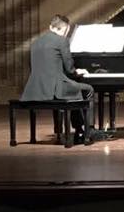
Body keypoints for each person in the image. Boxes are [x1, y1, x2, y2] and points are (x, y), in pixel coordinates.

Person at [20, 15, 111, 144]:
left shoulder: (36, 42)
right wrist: (77, 71)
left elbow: (35, 66)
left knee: (74, 90)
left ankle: (76, 127)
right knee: (88, 89)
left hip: (35, 88)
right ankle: (87, 129)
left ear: (51, 27)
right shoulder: (62, 41)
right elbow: (69, 69)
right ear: (66, 29)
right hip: (55, 89)